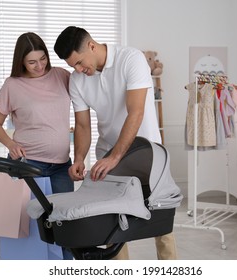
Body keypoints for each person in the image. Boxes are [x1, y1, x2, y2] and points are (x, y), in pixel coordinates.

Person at [54, 26, 177, 260]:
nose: (79, 70)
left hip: (146, 153)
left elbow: (136, 112)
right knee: (111, 221)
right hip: (108, 152)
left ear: (91, 45)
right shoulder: (78, 80)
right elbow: (82, 125)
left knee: (160, 214)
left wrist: (115, 157)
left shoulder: (131, 59)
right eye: (73, 67)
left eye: (80, 63)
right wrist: (79, 158)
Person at [0, 32, 74, 260]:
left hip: (61, 166)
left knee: (66, 226)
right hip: (26, 165)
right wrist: (10, 143)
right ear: (21, 62)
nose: (39, 66)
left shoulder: (61, 76)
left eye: (43, 58)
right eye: (32, 62)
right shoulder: (12, 85)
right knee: (28, 231)